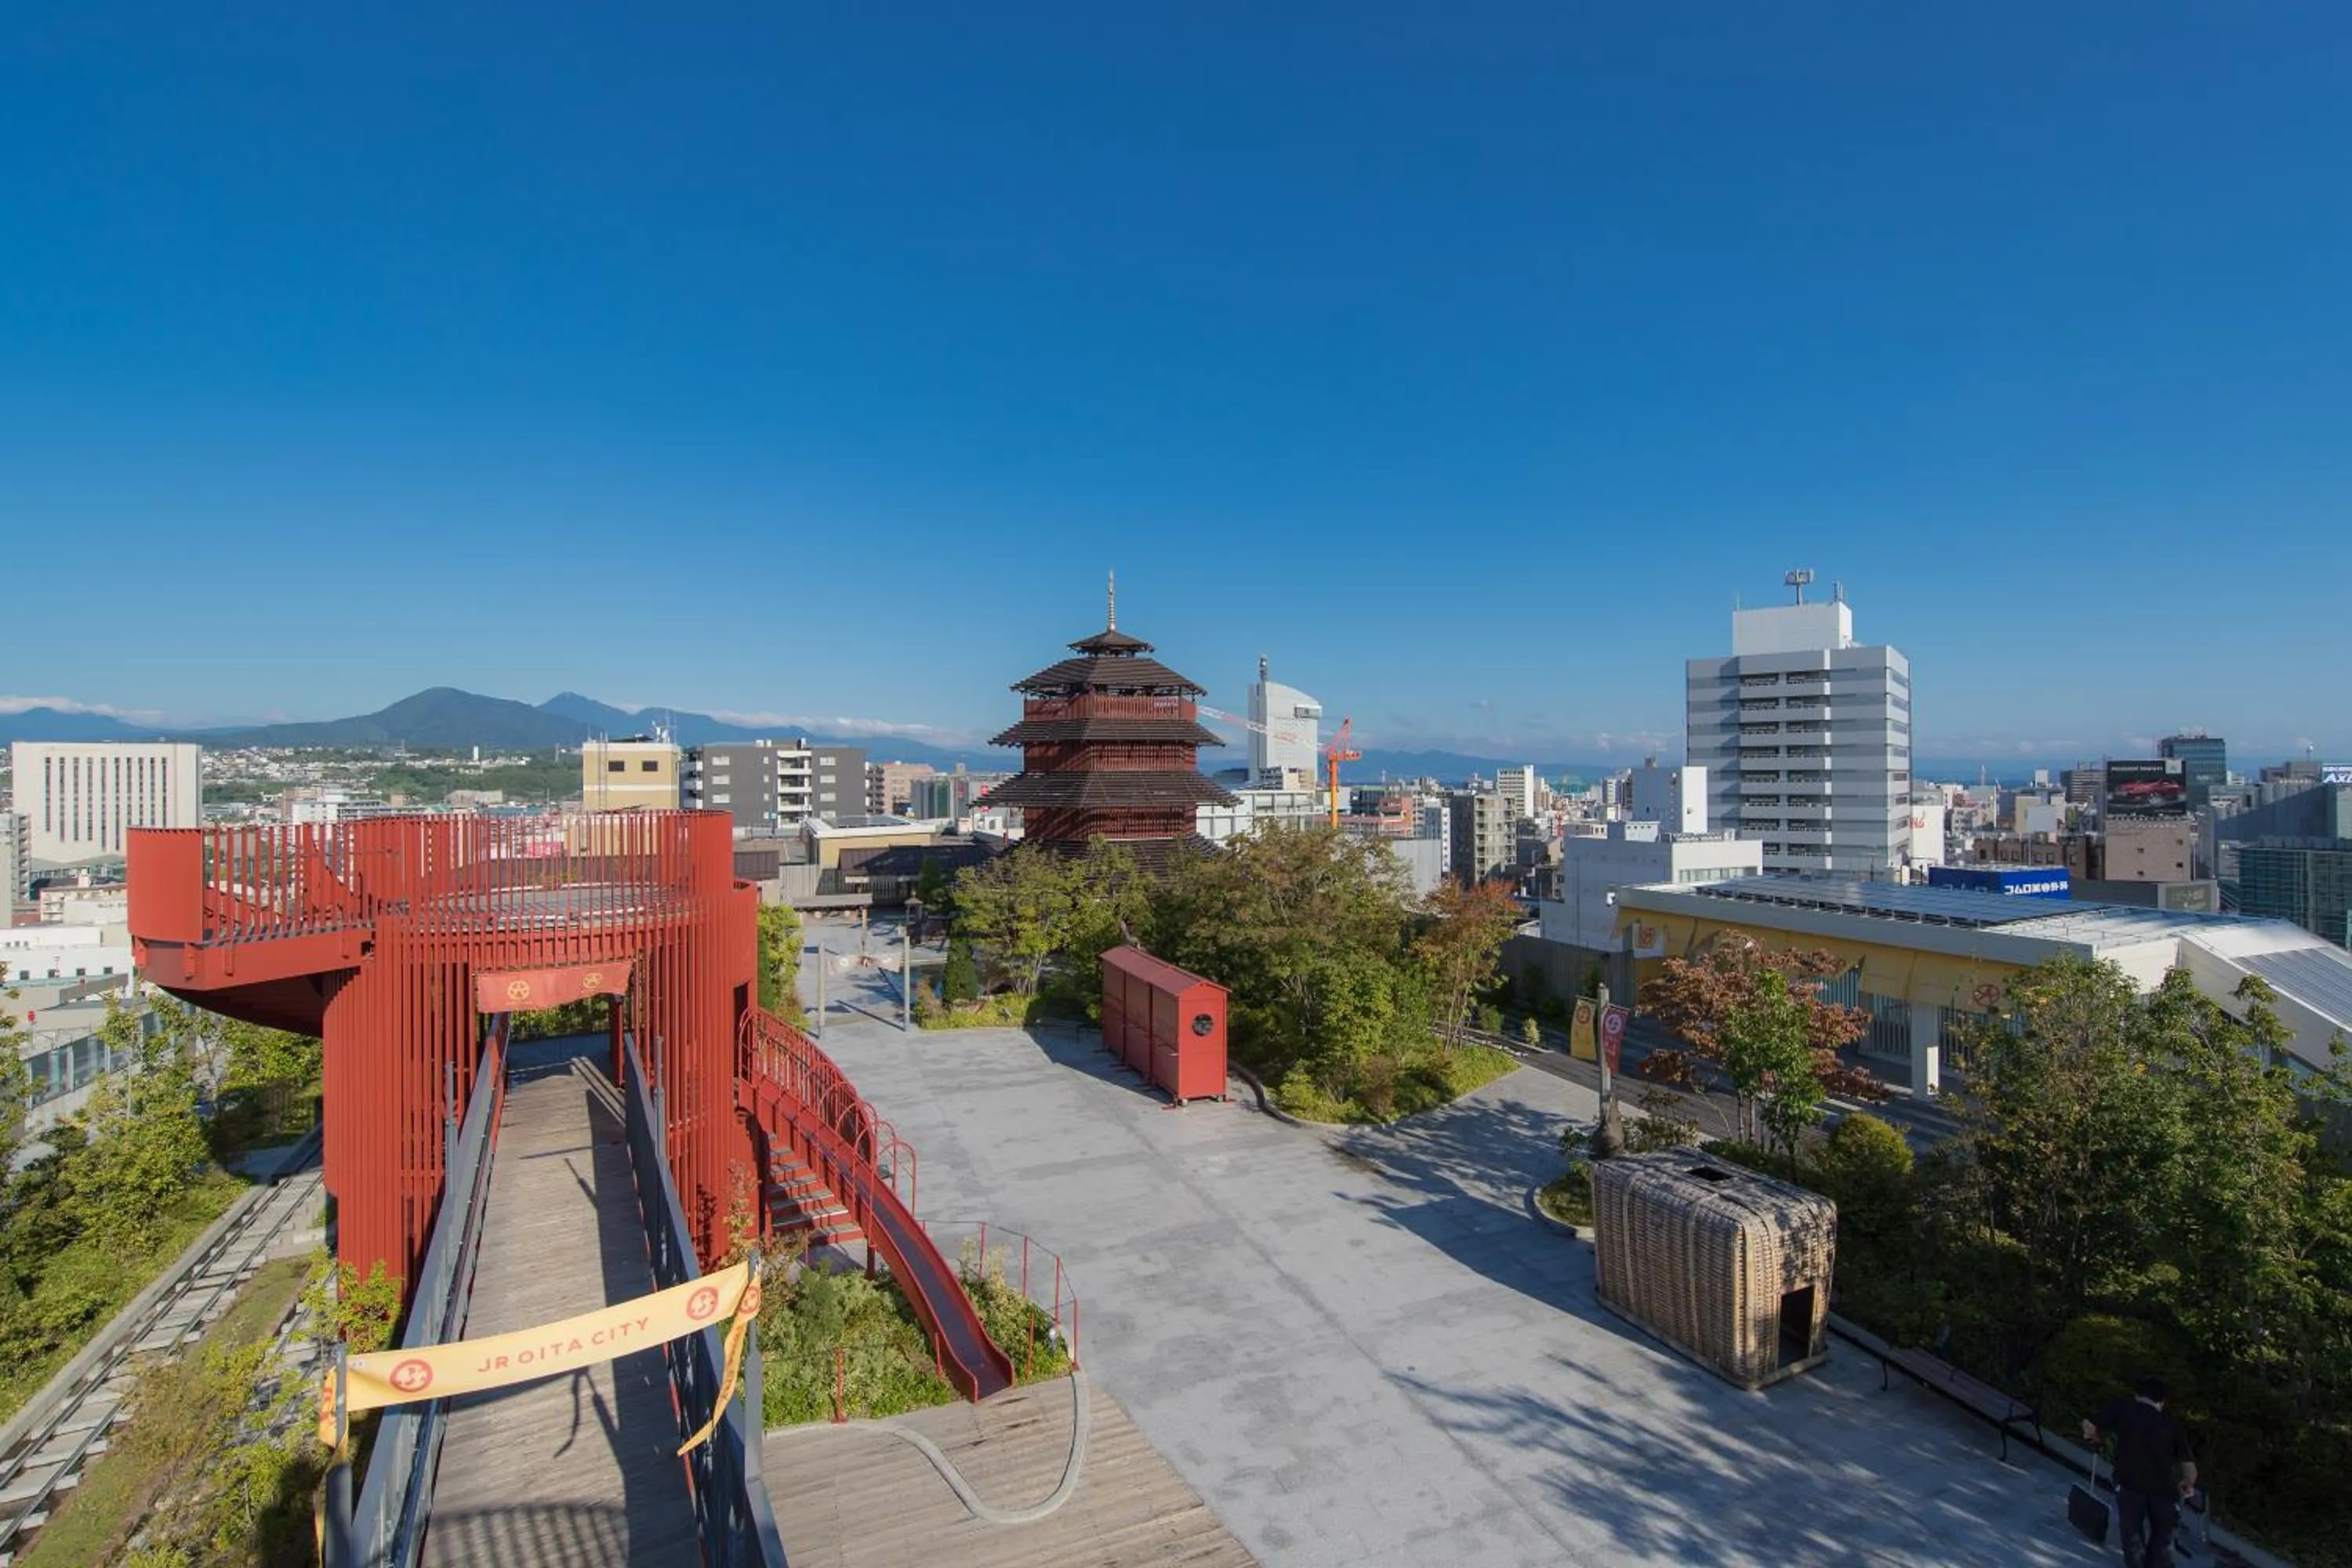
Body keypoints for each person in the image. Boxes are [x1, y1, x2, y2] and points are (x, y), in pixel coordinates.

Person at [2081, 1374, 2198, 1568]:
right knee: (2164, 1535)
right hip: (2164, 1490)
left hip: (2129, 1483)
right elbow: (2190, 1469)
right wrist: (2186, 1484)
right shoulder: (2172, 1425)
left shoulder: (2123, 1408)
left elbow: (2089, 1425)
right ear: (2162, 1402)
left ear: (2137, 1395)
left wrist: (2094, 1439)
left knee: (2132, 1532)